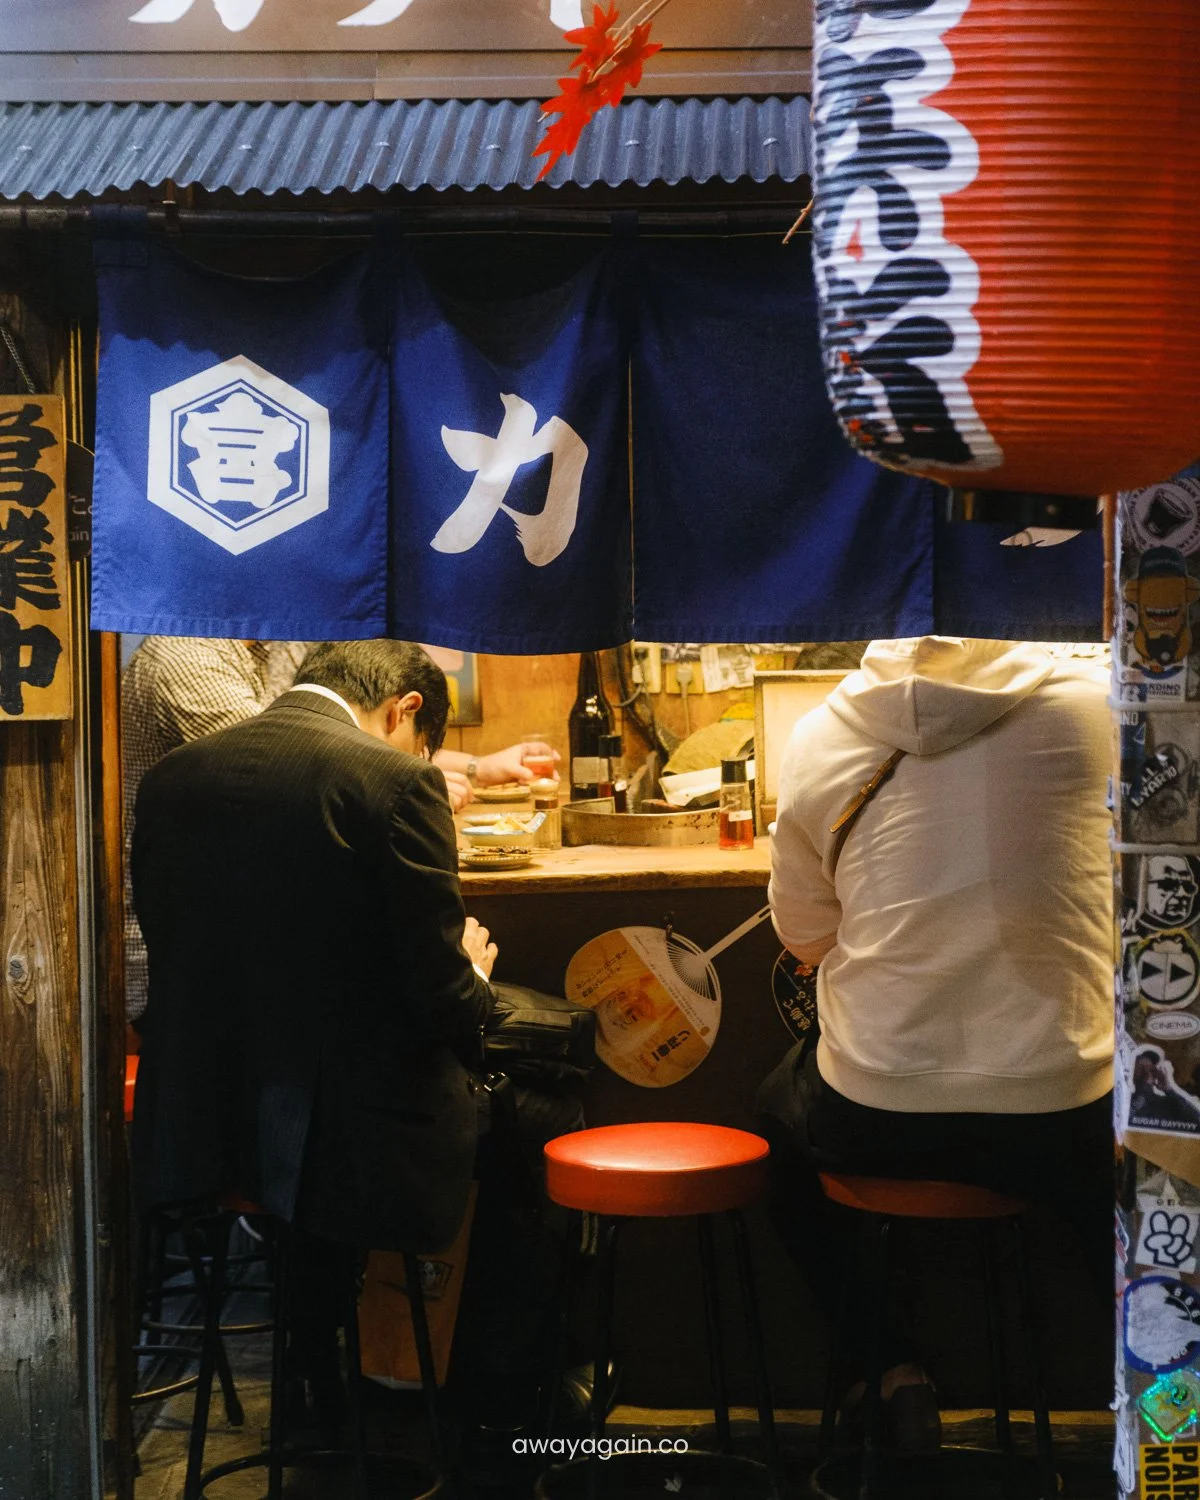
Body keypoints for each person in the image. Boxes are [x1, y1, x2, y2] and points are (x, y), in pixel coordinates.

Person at [756, 636, 1113, 1449]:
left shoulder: (819, 734)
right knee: (1136, 1197)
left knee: (775, 1116)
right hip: (1061, 1108)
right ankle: (1166, 1409)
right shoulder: (1096, 709)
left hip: (877, 1113)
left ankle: (886, 1373)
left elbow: (805, 938)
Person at [130, 641, 500, 1421]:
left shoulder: (170, 781)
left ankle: (317, 1368)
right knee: (520, 1103)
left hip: (206, 1121)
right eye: (423, 740)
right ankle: (480, 1395)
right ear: (404, 711)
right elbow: (442, 1000)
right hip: (345, 1132)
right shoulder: (395, 780)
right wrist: (476, 975)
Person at [121, 633, 557, 1018]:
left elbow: (338, 733)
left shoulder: (278, 644)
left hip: (246, 956)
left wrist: (476, 767)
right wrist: (471, 973)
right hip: (200, 975)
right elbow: (302, 757)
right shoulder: (186, 656)